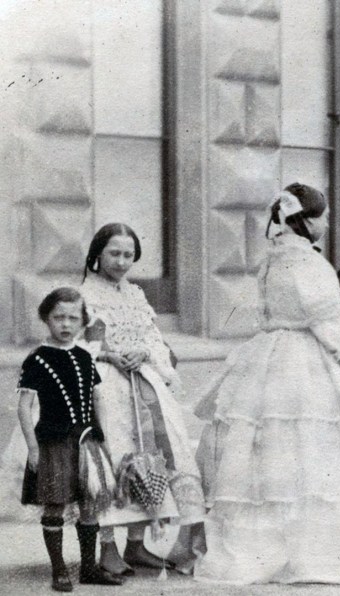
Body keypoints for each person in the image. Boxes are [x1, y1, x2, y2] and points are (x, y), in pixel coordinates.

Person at [193, 183, 340, 585]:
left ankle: (274, 546)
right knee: (313, 451)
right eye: (323, 216)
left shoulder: (273, 259)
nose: (327, 224)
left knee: (275, 453)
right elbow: (327, 320)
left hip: (271, 352)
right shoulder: (309, 264)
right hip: (305, 357)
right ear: (305, 220)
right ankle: (311, 553)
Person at [80, 223, 205, 576]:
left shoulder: (135, 294)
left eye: (128, 255)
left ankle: (137, 544)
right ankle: (107, 548)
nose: (121, 262)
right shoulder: (85, 295)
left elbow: (153, 337)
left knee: (152, 455)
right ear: (97, 255)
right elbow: (78, 343)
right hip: (105, 387)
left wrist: (142, 352)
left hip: (143, 381)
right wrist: (109, 356)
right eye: (114, 254)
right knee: (114, 460)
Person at [17, 288, 124, 591]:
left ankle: (88, 568)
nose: (65, 324)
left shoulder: (84, 356)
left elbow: (97, 398)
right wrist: (33, 447)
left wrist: (102, 436)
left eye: (73, 318)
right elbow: (24, 407)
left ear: (82, 322)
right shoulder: (37, 359)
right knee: (55, 504)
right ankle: (59, 569)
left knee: (89, 504)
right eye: (58, 317)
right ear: (46, 319)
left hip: (86, 442)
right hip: (52, 443)